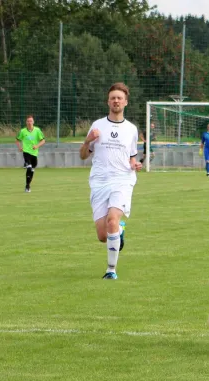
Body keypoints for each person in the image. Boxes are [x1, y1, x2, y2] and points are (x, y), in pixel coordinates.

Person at [79, 82, 142, 280]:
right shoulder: (97, 126)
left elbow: (132, 157)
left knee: (112, 219)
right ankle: (119, 230)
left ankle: (111, 270)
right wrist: (88, 141)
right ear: (108, 101)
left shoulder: (131, 129)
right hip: (99, 182)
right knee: (102, 235)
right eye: (113, 98)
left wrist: (135, 164)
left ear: (125, 103)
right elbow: (82, 156)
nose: (116, 101)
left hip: (122, 180)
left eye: (119, 98)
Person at [15, 115, 45, 193]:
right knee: (29, 167)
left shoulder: (37, 130)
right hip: (26, 152)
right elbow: (17, 140)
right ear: (26, 122)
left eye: (31, 121)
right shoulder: (22, 131)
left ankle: (27, 185)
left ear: (33, 122)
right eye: (28, 121)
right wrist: (19, 147)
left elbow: (43, 141)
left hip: (34, 154)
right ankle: (27, 187)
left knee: (32, 170)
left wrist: (37, 146)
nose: (29, 122)